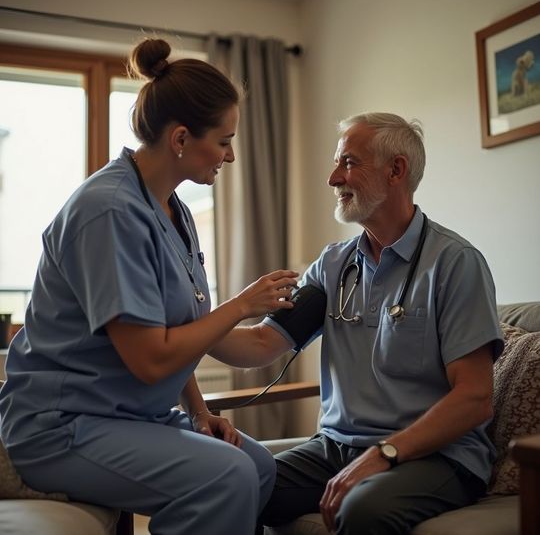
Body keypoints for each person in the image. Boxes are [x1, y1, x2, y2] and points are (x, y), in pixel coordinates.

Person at [0, 38, 298, 535]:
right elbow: (152, 356)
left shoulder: (173, 208)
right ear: (181, 138)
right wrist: (242, 304)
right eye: (224, 141)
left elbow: (178, 330)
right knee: (226, 477)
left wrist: (200, 413)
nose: (230, 155)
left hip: (128, 416)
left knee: (260, 466)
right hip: (61, 424)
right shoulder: (109, 211)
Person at [210, 112, 504, 535]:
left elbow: (475, 398)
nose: (333, 178)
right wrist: (191, 327)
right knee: (238, 489)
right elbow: (261, 345)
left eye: (348, 163)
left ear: (396, 170)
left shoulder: (455, 264)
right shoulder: (333, 265)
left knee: (364, 510)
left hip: (436, 455)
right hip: (336, 448)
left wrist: (384, 453)